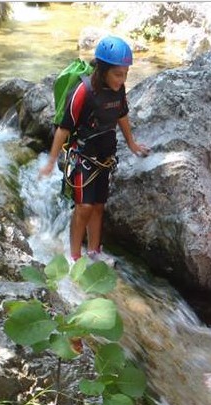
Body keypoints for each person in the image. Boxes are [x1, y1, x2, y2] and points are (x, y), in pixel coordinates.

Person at [40, 35, 149, 261]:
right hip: (83, 158)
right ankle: (74, 258)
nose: (122, 79)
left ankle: (94, 252)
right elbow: (63, 129)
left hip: (105, 157)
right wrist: (51, 162)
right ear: (102, 70)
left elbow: (122, 114)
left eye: (126, 74)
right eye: (118, 74)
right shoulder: (83, 91)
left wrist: (132, 143)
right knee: (84, 207)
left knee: (98, 207)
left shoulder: (117, 90)